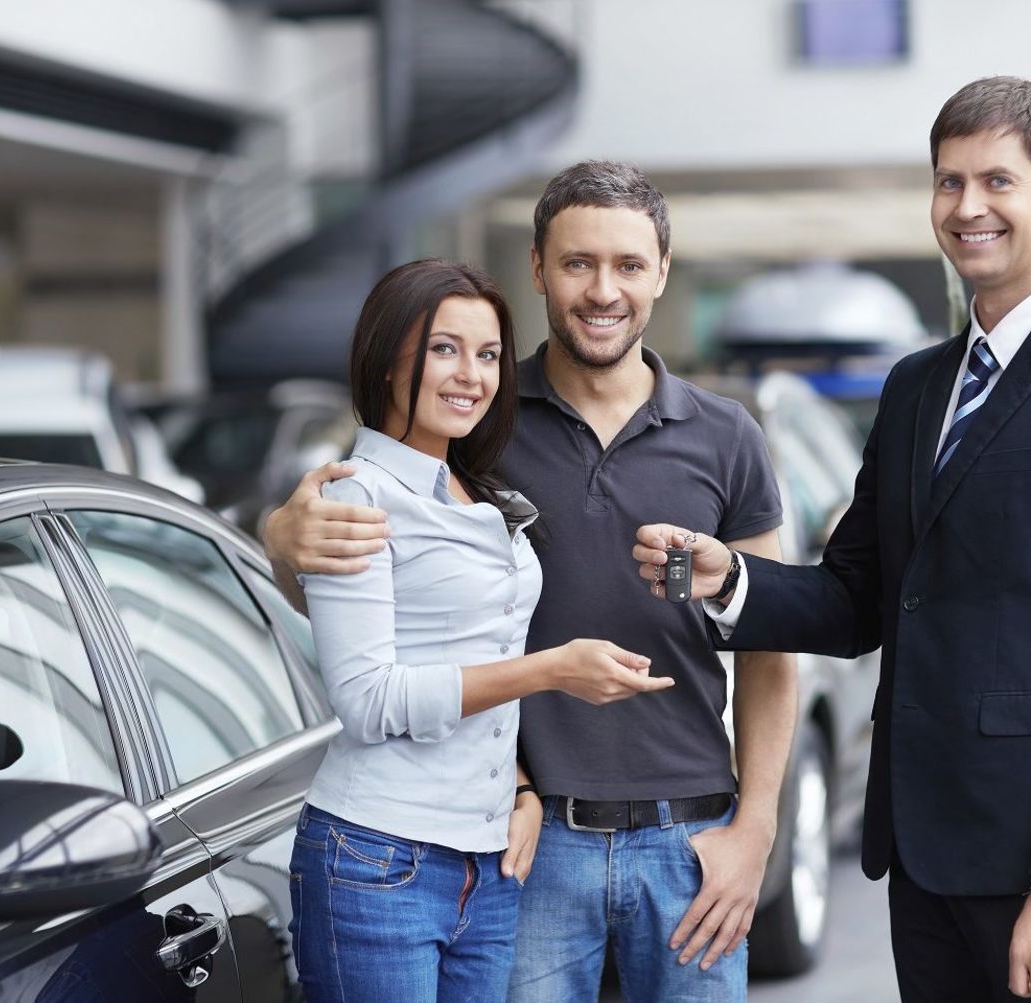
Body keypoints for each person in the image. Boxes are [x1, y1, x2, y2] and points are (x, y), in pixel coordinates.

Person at [633, 77, 1031, 1003]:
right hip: (924, 860)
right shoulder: (915, 387)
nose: (967, 206)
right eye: (948, 182)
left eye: (997, 181)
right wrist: (732, 577)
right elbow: (861, 595)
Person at [265, 163, 796, 1002]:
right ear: (540, 270)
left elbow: (772, 640)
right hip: (531, 842)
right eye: (578, 263)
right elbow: (369, 592)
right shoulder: (477, 416)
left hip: (691, 839)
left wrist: (756, 828)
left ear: (662, 270)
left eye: (627, 264)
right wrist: (283, 540)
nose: (603, 289)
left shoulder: (727, 435)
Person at [287, 258, 673, 1003]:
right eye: (444, 349)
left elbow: (482, 645)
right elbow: (368, 699)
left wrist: (521, 785)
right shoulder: (357, 498)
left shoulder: (473, 485)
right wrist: (552, 670)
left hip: (488, 861)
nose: (471, 374)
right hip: (377, 859)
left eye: (489, 354)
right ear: (387, 357)